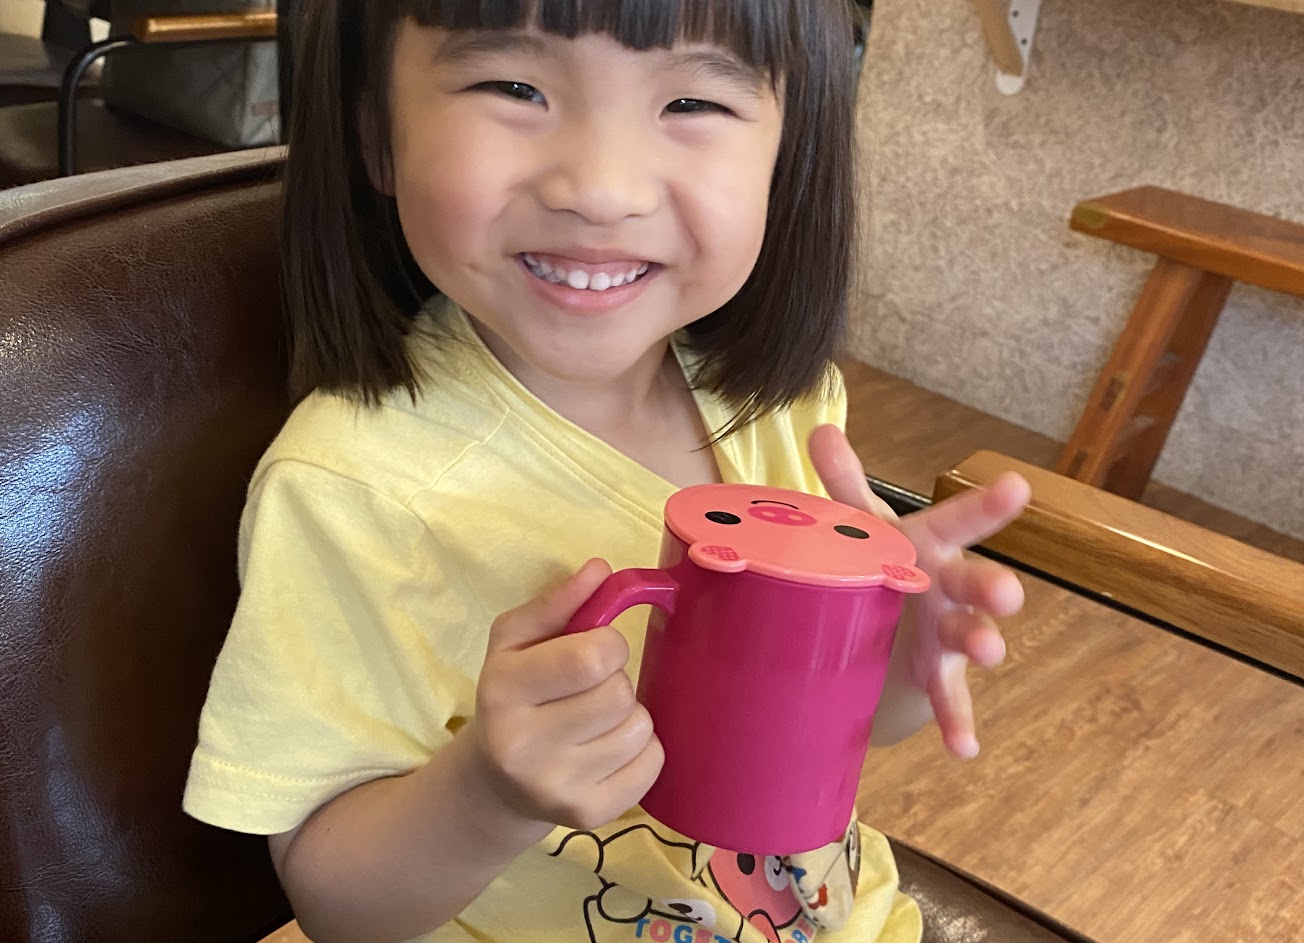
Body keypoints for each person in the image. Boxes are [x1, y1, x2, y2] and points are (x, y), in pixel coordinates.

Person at [182, 1, 1031, 942]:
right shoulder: (350, 488)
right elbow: (335, 903)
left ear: (788, 152)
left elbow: (848, 733)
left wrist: (900, 660)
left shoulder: (786, 413)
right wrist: (485, 793)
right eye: (514, 86)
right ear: (376, 132)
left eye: (693, 104)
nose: (601, 188)